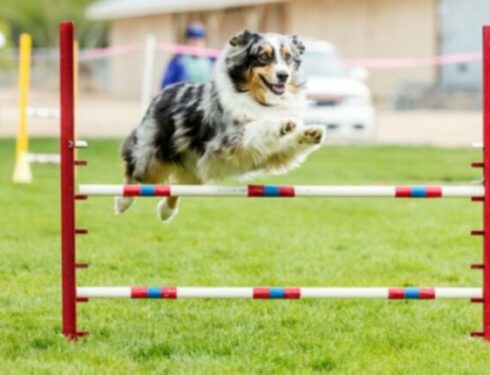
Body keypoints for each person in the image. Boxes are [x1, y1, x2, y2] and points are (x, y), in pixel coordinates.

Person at [160, 24, 215, 88]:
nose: (196, 44)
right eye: (193, 40)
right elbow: (166, 85)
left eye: (199, 40)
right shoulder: (178, 62)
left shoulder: (211, 62)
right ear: (187, 41)